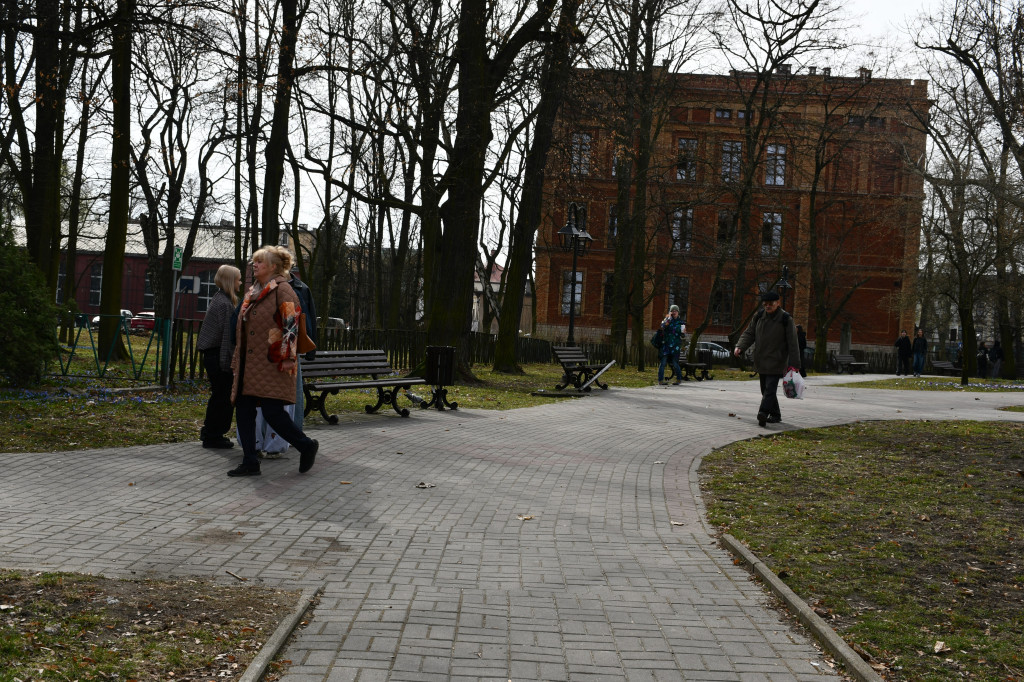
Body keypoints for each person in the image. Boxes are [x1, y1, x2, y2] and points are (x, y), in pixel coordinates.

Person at [228, 245, 319, 477]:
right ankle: (250, 461)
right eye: (254, 261)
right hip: (250, 365)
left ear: (274, 267)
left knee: (273, 412)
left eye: (259, 262)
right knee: (244, 409)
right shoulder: (255, 290)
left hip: (272, 363)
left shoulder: (284, 290)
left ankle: (305, 445)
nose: (254, 265)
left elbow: (291, 325)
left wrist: (288, 357)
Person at [734, 291, 800, 428]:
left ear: (778, 303)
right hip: (761, 359)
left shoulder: (786, 319)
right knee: (765, 390)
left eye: (771, 304)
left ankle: (763, 412)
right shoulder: (759, 316)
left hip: (777, 360)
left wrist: (794, 364)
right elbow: (749, 333)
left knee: (770, 389)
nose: (768, 307)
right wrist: (740, 347)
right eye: (765, 304)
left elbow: (793, 343)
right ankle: (776, 414)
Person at [197, 264, 241, 449]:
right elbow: (226, 339)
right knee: (222, 397)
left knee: (218, 396)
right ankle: (213, 435)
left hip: (212, 355)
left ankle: (210, 432)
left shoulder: (219, 299)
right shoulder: (225, 305)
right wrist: (228, 363)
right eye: (238, 279)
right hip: (218, 356)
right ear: (231, 281)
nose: (240, 282)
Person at [657, 305, 685, 385]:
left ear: (678, 312)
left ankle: (679, 379)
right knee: (663, 363)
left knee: (675, 363)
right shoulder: (667, 319)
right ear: (670, 312)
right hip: (666, 345)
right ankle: (660, 380)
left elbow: (682, 335)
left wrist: (683, 333)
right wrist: (668, 318)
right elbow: (662, 326)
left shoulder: (680, 322)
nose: (674, 312)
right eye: (673, 311)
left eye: (675, 311)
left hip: (675, 346)